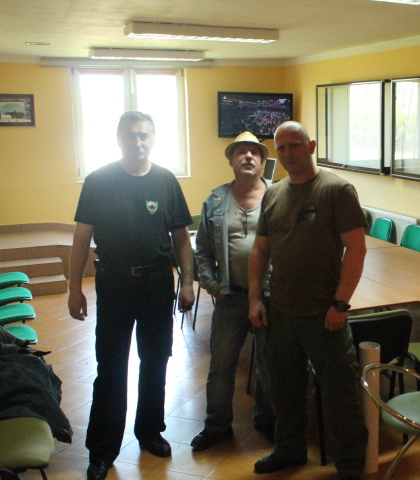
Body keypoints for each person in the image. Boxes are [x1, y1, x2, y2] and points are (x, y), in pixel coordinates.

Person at [67, 111, 195, 480]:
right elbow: (81, 239)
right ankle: (102, 450)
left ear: (152, 138)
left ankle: (150, 431)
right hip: (114, 285)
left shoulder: (166, 180)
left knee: (155, 360)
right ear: (118, 138)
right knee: (110, 367)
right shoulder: (98, 180)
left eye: (143, 135)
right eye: (130, 136)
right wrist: (74, 288)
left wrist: (187, 282)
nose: (137, 142)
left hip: (156, 284)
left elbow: (181, 238)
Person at [248, 121, 368, 480]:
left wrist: (340, 304)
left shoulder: (336, 190)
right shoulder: (273, 194)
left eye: (295, 145)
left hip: (324, 314)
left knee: (341, 394)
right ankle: (289, 450)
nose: (288, 154)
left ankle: (351, 465)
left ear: (311, 146)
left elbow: (356, 249)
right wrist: (255, 298)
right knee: (285, 391)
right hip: (281, 311)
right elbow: (260, 249)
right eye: (282, 148)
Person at [190, 131, 275, 451]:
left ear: (263, 161)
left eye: (254, 152)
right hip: (231, 296)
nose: (248, 156)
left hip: (270, 297)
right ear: (230, 160)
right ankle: (217, 426)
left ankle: (267, 421)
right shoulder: (214, 200)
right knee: (221, 366)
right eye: (241, 152)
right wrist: (212, 285)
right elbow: (201, 250)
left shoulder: (279, 196)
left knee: (269, 364)